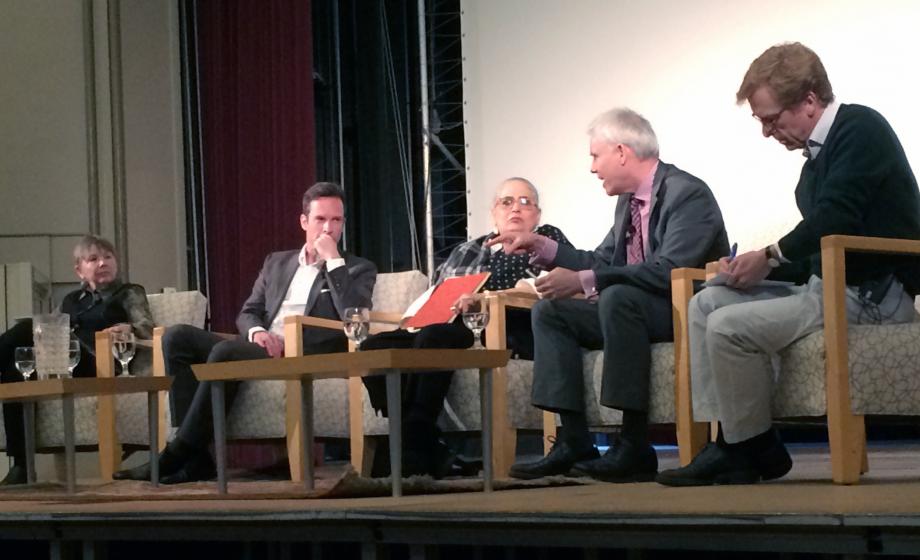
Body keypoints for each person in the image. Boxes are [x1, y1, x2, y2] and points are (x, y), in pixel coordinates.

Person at [656, 42, 920, 487]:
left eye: (770, 119)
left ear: (810, 101)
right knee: (708, 302)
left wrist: (771, 256)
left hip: (875, 294)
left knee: (727, 327)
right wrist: (749, 268)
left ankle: (749, 447)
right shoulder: (814, 162)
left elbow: (837, 217)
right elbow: (820, 252)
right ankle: (731, 442)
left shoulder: (860, 128)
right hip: (833, 284)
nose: (766, 132)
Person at [492, 108, 729, 482]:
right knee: (551, 311)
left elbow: (669, 269)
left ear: (621, 152)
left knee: (618, 297)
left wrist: (587, 281)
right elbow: (602, 259)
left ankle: (634, 445)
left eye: (595, 155)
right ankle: (573, 441)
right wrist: (542, 246)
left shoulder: (688, 193)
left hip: (683, 308)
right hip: (631, 313)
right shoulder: (628, 202)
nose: (592, 167)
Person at [113, 182, 377, 484]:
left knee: (224, 353)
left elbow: (354, 315)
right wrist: (256, 333)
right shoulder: (277, 262)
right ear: (304, 221)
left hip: (305, 352)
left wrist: (334, 262)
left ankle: (177, 453)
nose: (328, 228)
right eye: (320, 219)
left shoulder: (357, 269)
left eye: (336, 220)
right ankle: (198, 459)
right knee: (176, 338)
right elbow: (249, 311)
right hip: (262, 345)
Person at [360, 177, 572, 477]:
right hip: (449, 323)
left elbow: (562, 283)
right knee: (375, 347)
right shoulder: (468, 249)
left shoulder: (547, 239)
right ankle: (421, 443)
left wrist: (484, 299)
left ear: (537, 214)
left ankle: (412, 440)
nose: (516, 209)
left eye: (526, 203)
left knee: (435, 337)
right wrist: (413, 318)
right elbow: (435, 292)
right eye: (507, 202)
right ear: (493, 212)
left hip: (505, 323)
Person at [0, 235, 154, 485]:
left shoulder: (129, 293)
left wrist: (128, 328)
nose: (103, 263)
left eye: (108, 257)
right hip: (65, 361)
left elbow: (147, 327)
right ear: (79, 270)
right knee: (15, 370)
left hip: (101, 362)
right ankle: (22, 466)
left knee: (27, 327)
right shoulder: (71, 300)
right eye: (93, 259)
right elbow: (49, 330)